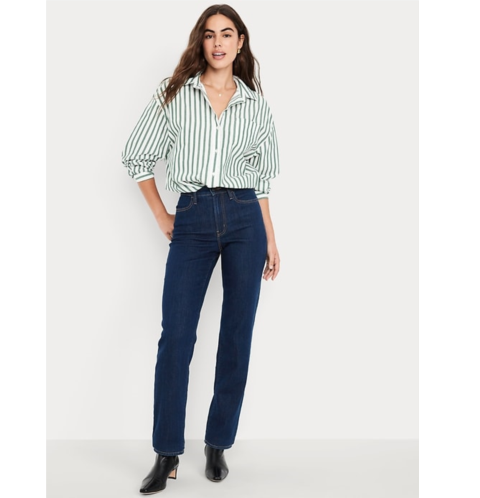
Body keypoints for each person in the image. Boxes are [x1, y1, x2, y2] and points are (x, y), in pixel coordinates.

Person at [121, 4, 281, 495]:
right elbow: (135, 156)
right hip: (191, 216)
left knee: (237, 334)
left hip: (245, 220)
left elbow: (261, 180)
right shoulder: (173, 94)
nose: (218, 43)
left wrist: (271, 237)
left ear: (240, 42)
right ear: (201, 41)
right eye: (210, 35)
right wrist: (163, 216)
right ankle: (166, 452)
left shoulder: (255, 104)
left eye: (227, 34)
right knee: (176, 336)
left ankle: (217, 443)